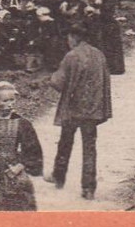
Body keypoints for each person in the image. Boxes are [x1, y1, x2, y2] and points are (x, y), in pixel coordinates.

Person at [46, 20, 112, 199]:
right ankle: (88, 188)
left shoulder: (71, 56)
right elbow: (105, 82)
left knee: (65, 141)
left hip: (73, 108)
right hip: (93, 109)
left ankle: (58, 176)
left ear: (73, 37)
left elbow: (58, 82)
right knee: (89, 146)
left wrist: (51, 78)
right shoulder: (99, 55)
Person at [0, 81, 41, 211]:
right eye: (4, 101)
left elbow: (33, 150)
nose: (9, 104)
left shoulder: (22, 123)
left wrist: (19, 166)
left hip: (13, 167)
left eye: (12, 100)